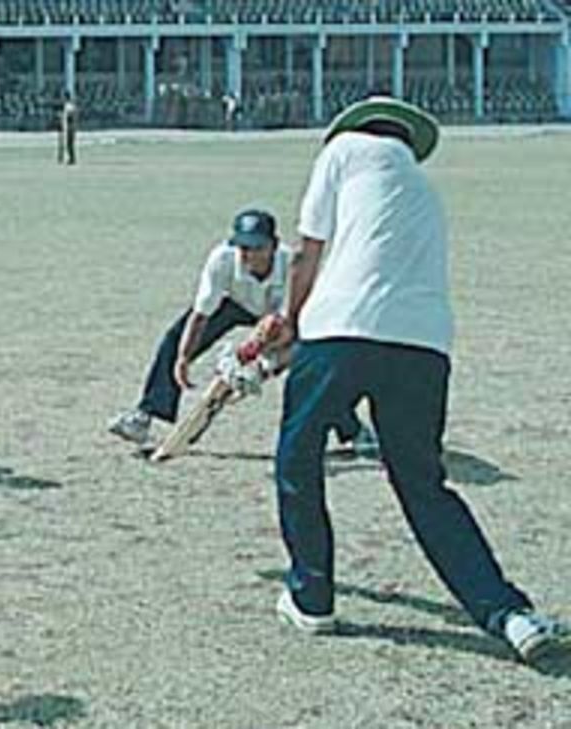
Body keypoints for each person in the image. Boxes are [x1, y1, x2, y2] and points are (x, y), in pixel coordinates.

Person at [273, 96, 561, 661]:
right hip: (424, 345)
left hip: (341, 328)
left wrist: (288, 318)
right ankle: (508, 614)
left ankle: (312, 597)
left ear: (353, 129)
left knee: (297, 458)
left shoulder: (342, 150)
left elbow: (308, 252)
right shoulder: (425, 189)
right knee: (423, 484)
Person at [108, 208, 375, 454]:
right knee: (174, 340)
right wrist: (183, 358)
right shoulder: (222, 260)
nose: (249, 255)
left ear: (273, 245)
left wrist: (261, 367)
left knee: (313, 366)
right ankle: (145, 415)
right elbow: (200, 316)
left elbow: (287, 329)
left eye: (258, 247)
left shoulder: (291, 266)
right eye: (243, 247)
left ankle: (354, 431)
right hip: (234, 303)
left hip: (284, 316)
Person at [57, 91, 77, 165]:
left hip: (69, 127)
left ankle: (72, 159)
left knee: (69, 144)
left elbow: (70, 117)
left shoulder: (69, 106)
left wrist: (62, 116)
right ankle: (69, 158)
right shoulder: (69, 106)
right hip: (68, 127)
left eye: (63, 97)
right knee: (68, 144)